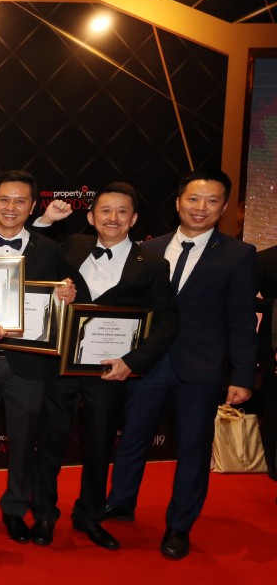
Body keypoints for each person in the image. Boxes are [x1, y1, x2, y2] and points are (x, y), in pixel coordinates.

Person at [105, 169, 257, 559]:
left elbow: (241, 319)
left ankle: (178, 526)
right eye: (193, 199)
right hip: (149, 365)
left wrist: (242, 375)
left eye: (211, 201)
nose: (200, 208)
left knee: (192, 448)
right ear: (178, 203)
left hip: (201, 370)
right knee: (132, 439)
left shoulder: (239, 255)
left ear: (223, 207)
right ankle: (120, 502)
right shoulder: (148, 248)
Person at [32, 182, 179, 550]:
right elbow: (32, 252)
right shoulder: (71, 248)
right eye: (105, 211)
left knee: (99, 448)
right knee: (50, 444)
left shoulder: (154, 265)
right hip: (63, 368)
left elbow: (166, 322)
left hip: (110, 374)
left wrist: (132, 362)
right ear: (91, 217)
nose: (113, 218)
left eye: (122, 212)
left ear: (134, 219)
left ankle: (89, 517)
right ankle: (45, 515)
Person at [0, 171, 74, 546]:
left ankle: (14, 509)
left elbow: (59, 310)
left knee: (24, 443)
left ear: (32, 207)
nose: (11, 207)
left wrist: (66, 298)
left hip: (28, 365)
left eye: (20, 201)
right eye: (5, 199)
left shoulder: (51, 250)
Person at [257, 245, 277, 484]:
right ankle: (274, 467)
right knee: (273, 408)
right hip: (272, 346)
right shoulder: (265, 259)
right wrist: (271, 305)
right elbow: (242, 297)